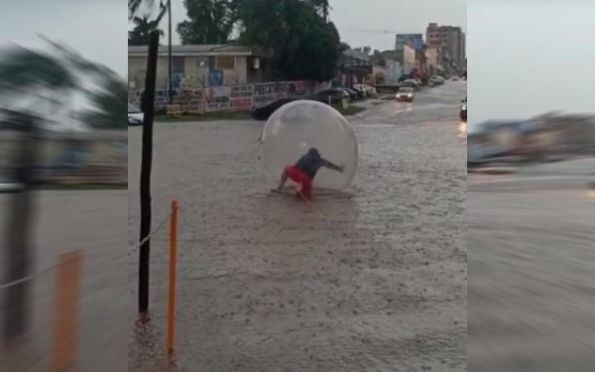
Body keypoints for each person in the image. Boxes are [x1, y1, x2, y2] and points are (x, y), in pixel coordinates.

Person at [276, 147, 344, 199]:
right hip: (306, 180)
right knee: (306, 195)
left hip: (295, 172)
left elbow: (296, 166)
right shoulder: (320, 160)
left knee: (286, 169)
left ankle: (279, 188)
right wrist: (339, 168)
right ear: (318, 154)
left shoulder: (304, 156)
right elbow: (329, 165)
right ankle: (299, 192)